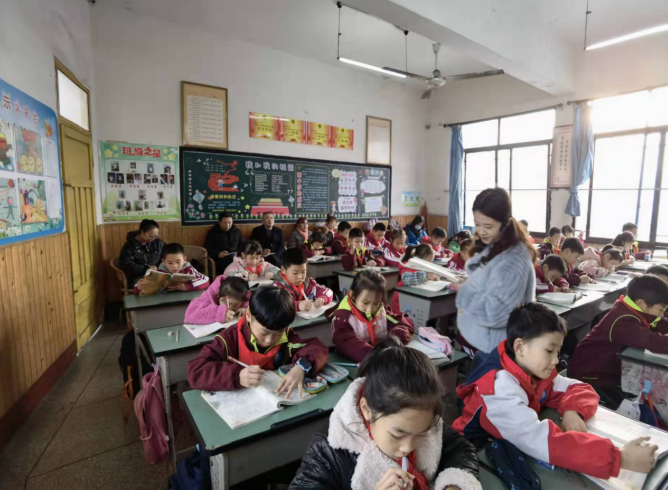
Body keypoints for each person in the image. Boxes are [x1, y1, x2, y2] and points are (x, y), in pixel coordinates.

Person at [453, 303, 659, 479]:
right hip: (475, 457)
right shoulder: (498, 389)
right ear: (520, 347)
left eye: (558, 352)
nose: (555, 361)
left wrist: (572, 410)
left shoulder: (533, 370)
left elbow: (578, 388)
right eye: (549, 350)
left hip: (510, 442)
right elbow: (540, 440)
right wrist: (620, 458)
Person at [290, 338, 482, 490]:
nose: (408, 447)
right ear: (366, 410)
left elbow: (463, 449)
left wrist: (454, 485)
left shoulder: (422, 420)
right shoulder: (328, 451)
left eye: (421, 434)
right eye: (397, 435)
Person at [187, 286, 328, 395]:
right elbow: (196, 371)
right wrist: (237, 376)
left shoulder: (286, 336)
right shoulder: (229, 339)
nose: (269, 340)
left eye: (278, 333)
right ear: (248, 315)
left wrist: (301, 367)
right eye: (264, 332)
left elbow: (317, 348)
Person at [455, 188, 536, 354]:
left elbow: (496, 313)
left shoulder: (513, 260)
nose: (481, 231)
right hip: (485, 343)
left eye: (488, 226)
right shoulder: (499, 245)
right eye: (477, 224)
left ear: (504, 224)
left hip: (495, 349)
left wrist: (465, 291)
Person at [569, 275, 668, 408]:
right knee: (627, 410)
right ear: (641, 304)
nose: (662, 314)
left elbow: (659, 322)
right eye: (661, 310)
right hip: (590, 378)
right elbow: (655, 342)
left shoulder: (631, 309)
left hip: (608, 372)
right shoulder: (622, 320)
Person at [328, 271, 413, 363]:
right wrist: (375, 354)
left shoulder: (382, 310)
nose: (370, 309)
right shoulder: (343, 318)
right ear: (353, 296)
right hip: (359, 362)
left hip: (380, 359)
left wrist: (395, 339)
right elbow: (346, 343)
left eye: (376, 303)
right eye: (365, 303)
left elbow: (403, 324)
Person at [134, 243, 209, 294]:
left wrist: (186, 287)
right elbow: (140, 289)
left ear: (184, 259)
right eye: (170, 263)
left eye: (178, 262)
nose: (175, 266)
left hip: (185, 302)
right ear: (163, 261)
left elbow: (206, 280)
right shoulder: (159, 272)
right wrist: (139, 287)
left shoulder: (188, 269)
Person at [391, 244, 440, 313]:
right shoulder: (408, 265)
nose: (429, 265)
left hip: (415, 301)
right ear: (418, 259)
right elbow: (406, 278)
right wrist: (425, 276)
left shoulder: (423, 268)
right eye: (428, 262)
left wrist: (433, 278)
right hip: (402, 302)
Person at [184, 276, 250, 325]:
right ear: (218, 295)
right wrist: (219, 313)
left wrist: (245, 307)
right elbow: (190, 315)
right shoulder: (207, 297)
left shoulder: (243, 301)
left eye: (236, 306)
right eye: (226, 303)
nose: (230, 308)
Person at [119, 219, 165, 286]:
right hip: (137, 277)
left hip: (156, 274)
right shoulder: (129, 246)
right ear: (142, 232)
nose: (153, 238)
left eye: (155, 236)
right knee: (155, 283)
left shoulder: (157, 243)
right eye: (151, 236)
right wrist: (145, 269)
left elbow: (167, 253)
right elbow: (126, 265)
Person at [204, 211, 243, 275]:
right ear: (219, 222)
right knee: (231, 261)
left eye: (229, 223)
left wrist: (239, 253)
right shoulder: (213, 233)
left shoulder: (237, 232)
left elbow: (243, 245)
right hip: (221, 260)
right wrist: (218, 254)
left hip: (236, 258)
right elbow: (207, 248)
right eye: (224, 223)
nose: (227, 225)